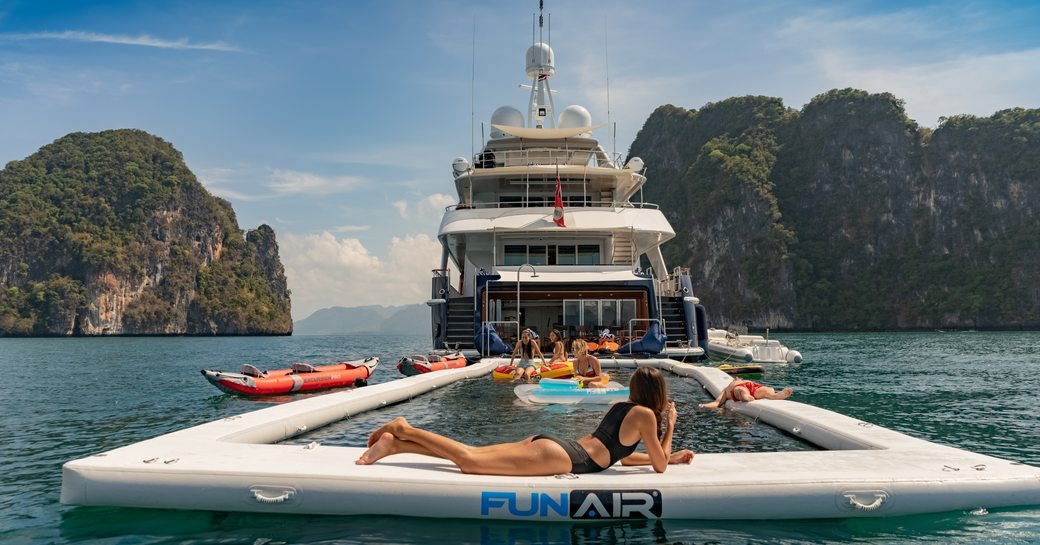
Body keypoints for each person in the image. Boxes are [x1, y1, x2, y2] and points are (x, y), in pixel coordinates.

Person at [357, 367, 695, 474]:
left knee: (470, 454)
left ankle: (396, 446)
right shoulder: (647, 415)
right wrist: (672, 429)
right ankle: (405, 428)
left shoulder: (625, 407)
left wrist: (672, 456)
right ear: (658, 393)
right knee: (470, 462)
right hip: (562, 457)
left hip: (557, 447)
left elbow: (619, 456)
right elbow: (659, 466)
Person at [698, 378, 793, 409]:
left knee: (766, 390)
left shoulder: (740, 382)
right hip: (738, 389)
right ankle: (745, 396)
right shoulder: (726, 389)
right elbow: (717, 403)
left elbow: (717, 403)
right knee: (740, 390)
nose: (737, 378)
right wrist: (704, 405)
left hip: (752, 386)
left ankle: (775, 395)